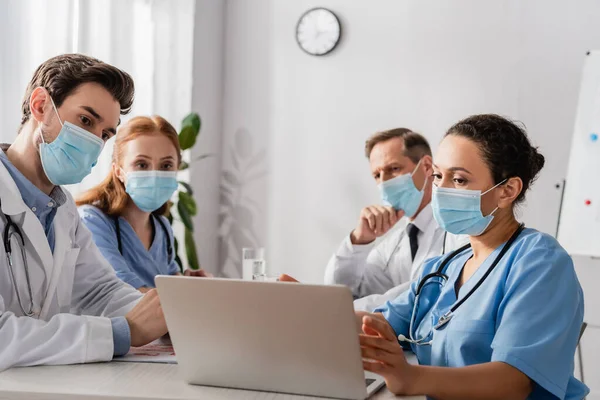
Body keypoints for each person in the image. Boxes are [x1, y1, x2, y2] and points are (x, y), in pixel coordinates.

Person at [358, 114, 588, 399]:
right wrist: (307, 308)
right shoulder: (442, 269)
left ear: (507, 190)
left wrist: (413, 377)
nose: (442, 190)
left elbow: (514, 381)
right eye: (439, 177)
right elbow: (381, 324)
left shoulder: (540, 262)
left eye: (459, 179)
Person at [0, 54, 167, 370]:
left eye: (105, 134)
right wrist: (124, 332)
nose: (94, 141)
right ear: (40, 106)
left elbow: (99, 292)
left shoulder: (62, 210)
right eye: (86, 121)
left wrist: (166, 319)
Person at [323, 128, 466, 311]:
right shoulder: (392, 246)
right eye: (377, 175)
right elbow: (340, 291)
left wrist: (349, 310)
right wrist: (360, 239)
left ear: (427, 167)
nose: (384, 182)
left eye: (394, 169)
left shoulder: (459, 227)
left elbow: (427, 291)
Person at [76, 116, 210, 292]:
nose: (154, 174)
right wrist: (185, 296)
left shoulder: (162, 227)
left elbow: (168, 280)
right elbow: (122, 292)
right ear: (119, 172)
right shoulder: (92, 221)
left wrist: (191, 285)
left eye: (166, 165)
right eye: (141, 164)